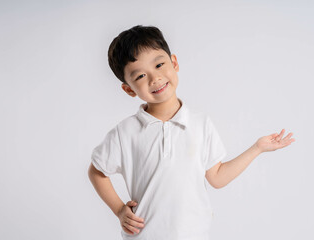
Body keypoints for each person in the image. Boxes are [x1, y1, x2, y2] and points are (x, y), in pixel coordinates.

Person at [88, 25, 295, 240]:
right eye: (140, 76)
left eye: (159, 64)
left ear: (174, 63)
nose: (155, 78)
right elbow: (96, 171)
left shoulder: (200, 124)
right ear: (129, 89)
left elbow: (217, 178)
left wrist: (257, 148)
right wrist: (120, 210)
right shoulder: (125, 132)